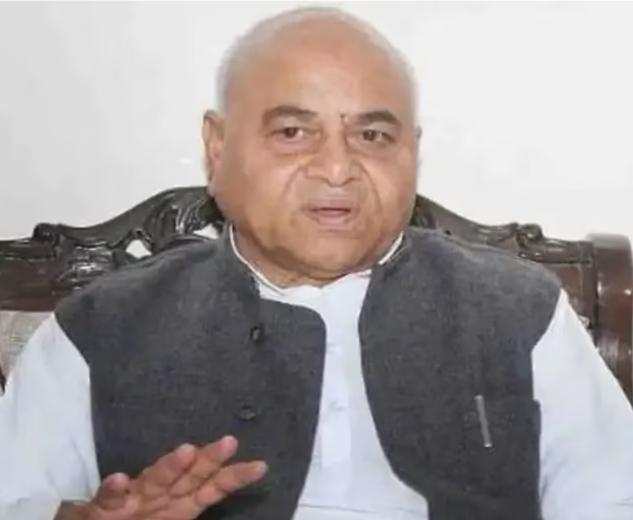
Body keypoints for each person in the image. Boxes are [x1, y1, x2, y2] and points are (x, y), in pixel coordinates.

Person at [1, 6, 632, 520]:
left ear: (413, 153)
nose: (336, 169)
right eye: (292, 133)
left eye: (372, 136)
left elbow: (611, 498)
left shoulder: (521, 311)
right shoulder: (98, 328)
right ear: (217, 150)